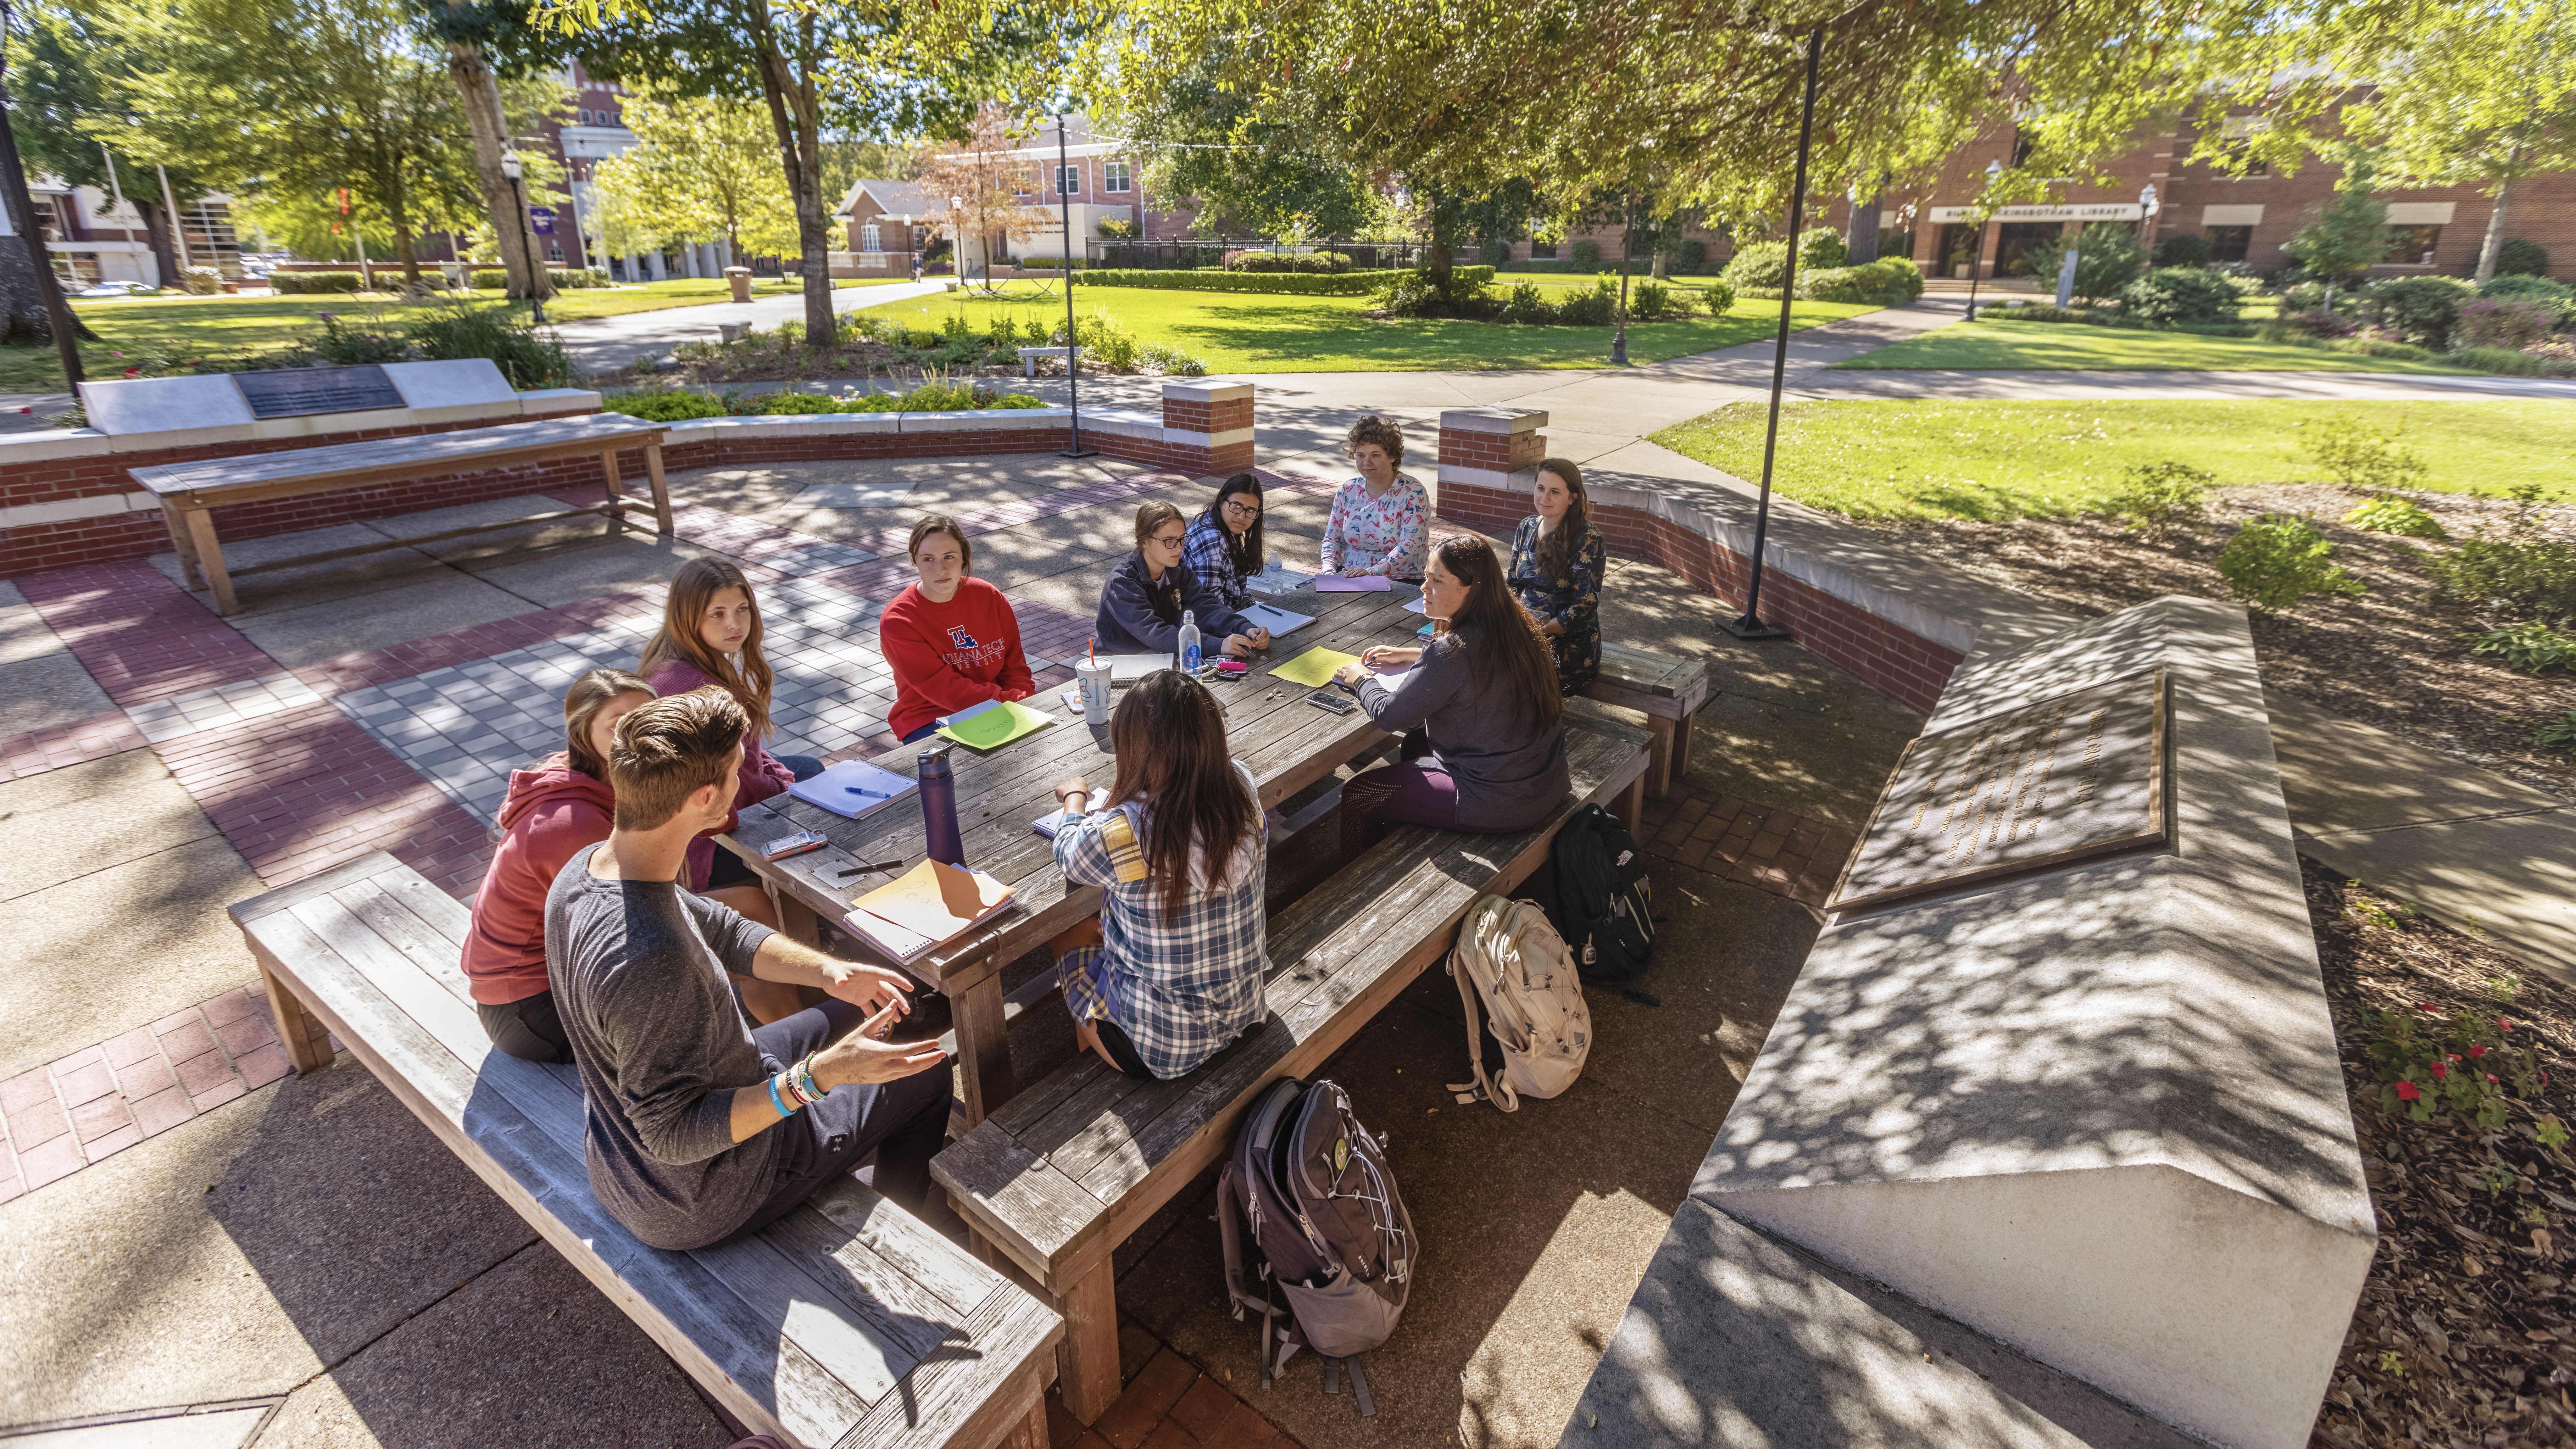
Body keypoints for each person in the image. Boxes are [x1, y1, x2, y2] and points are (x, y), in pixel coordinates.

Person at [545, 688, 957, 1251]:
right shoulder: (651, 957)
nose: (743, 783)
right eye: (738, 772)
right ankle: (910, 1236)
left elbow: (722, 928)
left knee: (892, 1010)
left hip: (644, 1144)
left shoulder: (593, 867)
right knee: (927, 1072)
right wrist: (821, 1076)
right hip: (701, 1193)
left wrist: (833, 973)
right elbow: (670, 1132)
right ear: (708, 797)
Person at [1044, 671, 1267, 1080]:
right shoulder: (1240, 785)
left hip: (1161, 1046)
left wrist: (1075, 797)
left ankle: (1093, 1074)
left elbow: (1069, 856)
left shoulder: (1124, 831)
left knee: (1068, 932)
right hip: (1242, 1006)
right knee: (1107, 925)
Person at [639, 557, 809, 1022]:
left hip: (716, 805)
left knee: (809, 769)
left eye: (742, 609)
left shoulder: (682, 660)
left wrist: (782, 775)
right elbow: (738, 782)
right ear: (688, 615)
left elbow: (751, 757)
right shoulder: (696, 686)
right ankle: (801, 989)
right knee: (815, 809)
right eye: (718, 613)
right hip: (701, 844)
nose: (734, 624)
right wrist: (782, 784)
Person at [1332, 534, 1571, 856]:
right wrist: (1414, 653)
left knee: (1359, 793)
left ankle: (1356, 885)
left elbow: (1390, 716)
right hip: (1547, 782)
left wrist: (1360, 680)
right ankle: (1411, 831)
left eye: (1437, 580)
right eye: (1426, 576)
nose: (1424, 587)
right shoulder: (1518, 626)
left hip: (1501, 801)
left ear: (1471, 589)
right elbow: (1480, 660)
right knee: (1417, 743)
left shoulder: (1449, 654)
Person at [463, 668, 655, 1065]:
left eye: (651, 717)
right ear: (584, 734)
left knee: (740, 917)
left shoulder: (602, 775)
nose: (644, 734)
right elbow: (635, 926)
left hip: (557, 977)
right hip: (530, 1010)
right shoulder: (575, 822)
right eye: (620, 726)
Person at [881, 514, 1036, 744]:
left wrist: (1026, 699)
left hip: (996, 705)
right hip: (929, 717)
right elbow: (946, 689)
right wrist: (1009, 701)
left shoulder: (988, 596)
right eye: (928, 559)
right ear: (915, 561)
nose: (940, 569)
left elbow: (1014, 666)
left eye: (949, 557)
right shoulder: (899, 620)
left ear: (964, 557)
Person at [1094, 501, 1270, 660]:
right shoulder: (1122, 583)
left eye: (1182, 539)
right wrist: (1219, 645)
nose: (1179, 548)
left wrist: (1245, 628)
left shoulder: (1178, 570)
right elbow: (1155, 632)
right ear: (1144, 541)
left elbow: (1204, 607)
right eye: (1169, 541)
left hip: (1163, 657)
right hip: (1121, 664)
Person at [1508, 458, 1607, 695]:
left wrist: (1537, 632)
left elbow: (1584, 605)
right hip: (1526, 632)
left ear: (1572, 498)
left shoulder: (1587, 538)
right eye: (1540, 489)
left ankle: (1535, 731)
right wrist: (1506, 620)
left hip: (1568, 643)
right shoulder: (1526, 527)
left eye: (1555, 492)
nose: (1544, 498)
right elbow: (1512, 583)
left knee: (1511, 675)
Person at [1319, 415, 1430, 583]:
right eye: (1361, 455)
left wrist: (1371, 572)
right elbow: (1332, 539)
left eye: (1376, 455)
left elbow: (1409, 546)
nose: (1366, 463)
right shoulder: (1349, 490)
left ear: (1392, 456)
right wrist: (1328, 572)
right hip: (1351, 576)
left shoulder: (1413, 492)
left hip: (1399, 579)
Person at [1182, 474, 1266, 612]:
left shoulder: (1224, 525)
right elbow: (1211, 607)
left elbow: (1239, 592)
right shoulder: (1212, 541)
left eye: (1251, 511)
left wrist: (1256, 612)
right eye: (1236, 506)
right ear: (1221, 502)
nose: (1242, 517)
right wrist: (1246, 626)